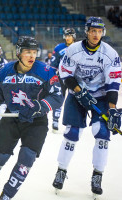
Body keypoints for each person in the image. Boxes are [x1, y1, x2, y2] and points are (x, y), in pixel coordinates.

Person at [0, 36, 64, 200]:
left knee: (26, 159)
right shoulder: (5, 72)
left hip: (36, 121)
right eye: (27, 52)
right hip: (11, 118)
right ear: (19, 52)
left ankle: (6, 196)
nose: (32, 56)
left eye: (34, 52)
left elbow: (57, 97)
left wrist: (40, 106)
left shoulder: (46, 71)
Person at [52, 17, 121, 198]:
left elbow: (113, 83)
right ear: (87, 31)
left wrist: (112, 110)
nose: (96, 35)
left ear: (102, 33)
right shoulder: (73, 50)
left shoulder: (110, 54)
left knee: (103, 134)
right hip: (77, 94)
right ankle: (61, 170)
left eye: (99, 31)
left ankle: (97, 175)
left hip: (101, 96)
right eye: (93, 31)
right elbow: (65, 73)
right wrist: (78, 90)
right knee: (72, 133)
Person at [50, 28, 76, 132]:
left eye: (69, 36)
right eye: (66, 36)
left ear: (73, 36)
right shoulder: (59, 48)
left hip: (75, 78)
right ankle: (55, 120)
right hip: (61, 78)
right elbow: (53, 64)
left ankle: (72, 122)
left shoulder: (80, 47)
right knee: (59, 99)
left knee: (73, 100)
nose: (67, 38)